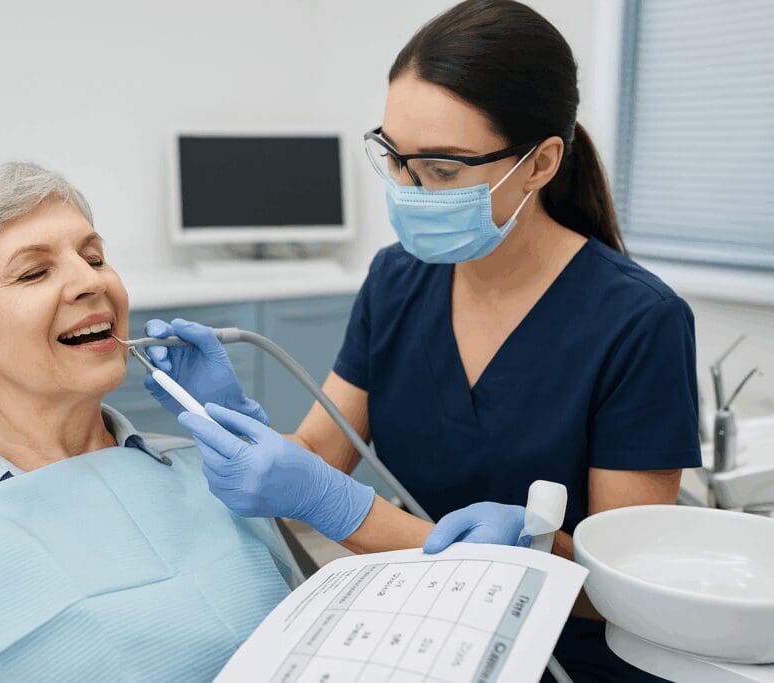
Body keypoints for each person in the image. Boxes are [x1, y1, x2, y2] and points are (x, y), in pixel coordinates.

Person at [146, 2, 702, 681]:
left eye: (441, 169)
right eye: (395, 158)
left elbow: (624, 589)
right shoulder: (398, 280)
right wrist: (225, 419)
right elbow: (322, 450)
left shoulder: (638, 322)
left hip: (563, 661)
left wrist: (529, 548)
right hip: (422, 632)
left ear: (540, 163)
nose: (408, 189)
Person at [0, 162, 524, 682]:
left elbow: (329, 646)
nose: (90, 280)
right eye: (34, 273)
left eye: (94, 256)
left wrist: (451, 562)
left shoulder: (216, 469)